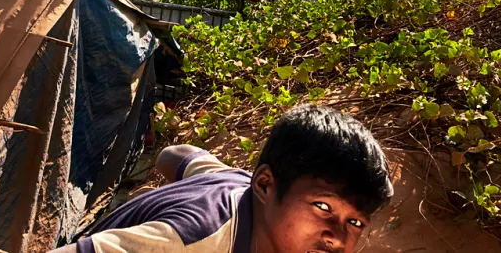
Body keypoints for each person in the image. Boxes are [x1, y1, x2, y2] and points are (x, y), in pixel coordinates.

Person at [49, 104, 393, 253]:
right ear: (265, 186)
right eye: (323, 207)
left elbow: (175, 155)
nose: (337, 238)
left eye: (355, 222)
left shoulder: (236, 182)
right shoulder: (191, 241)